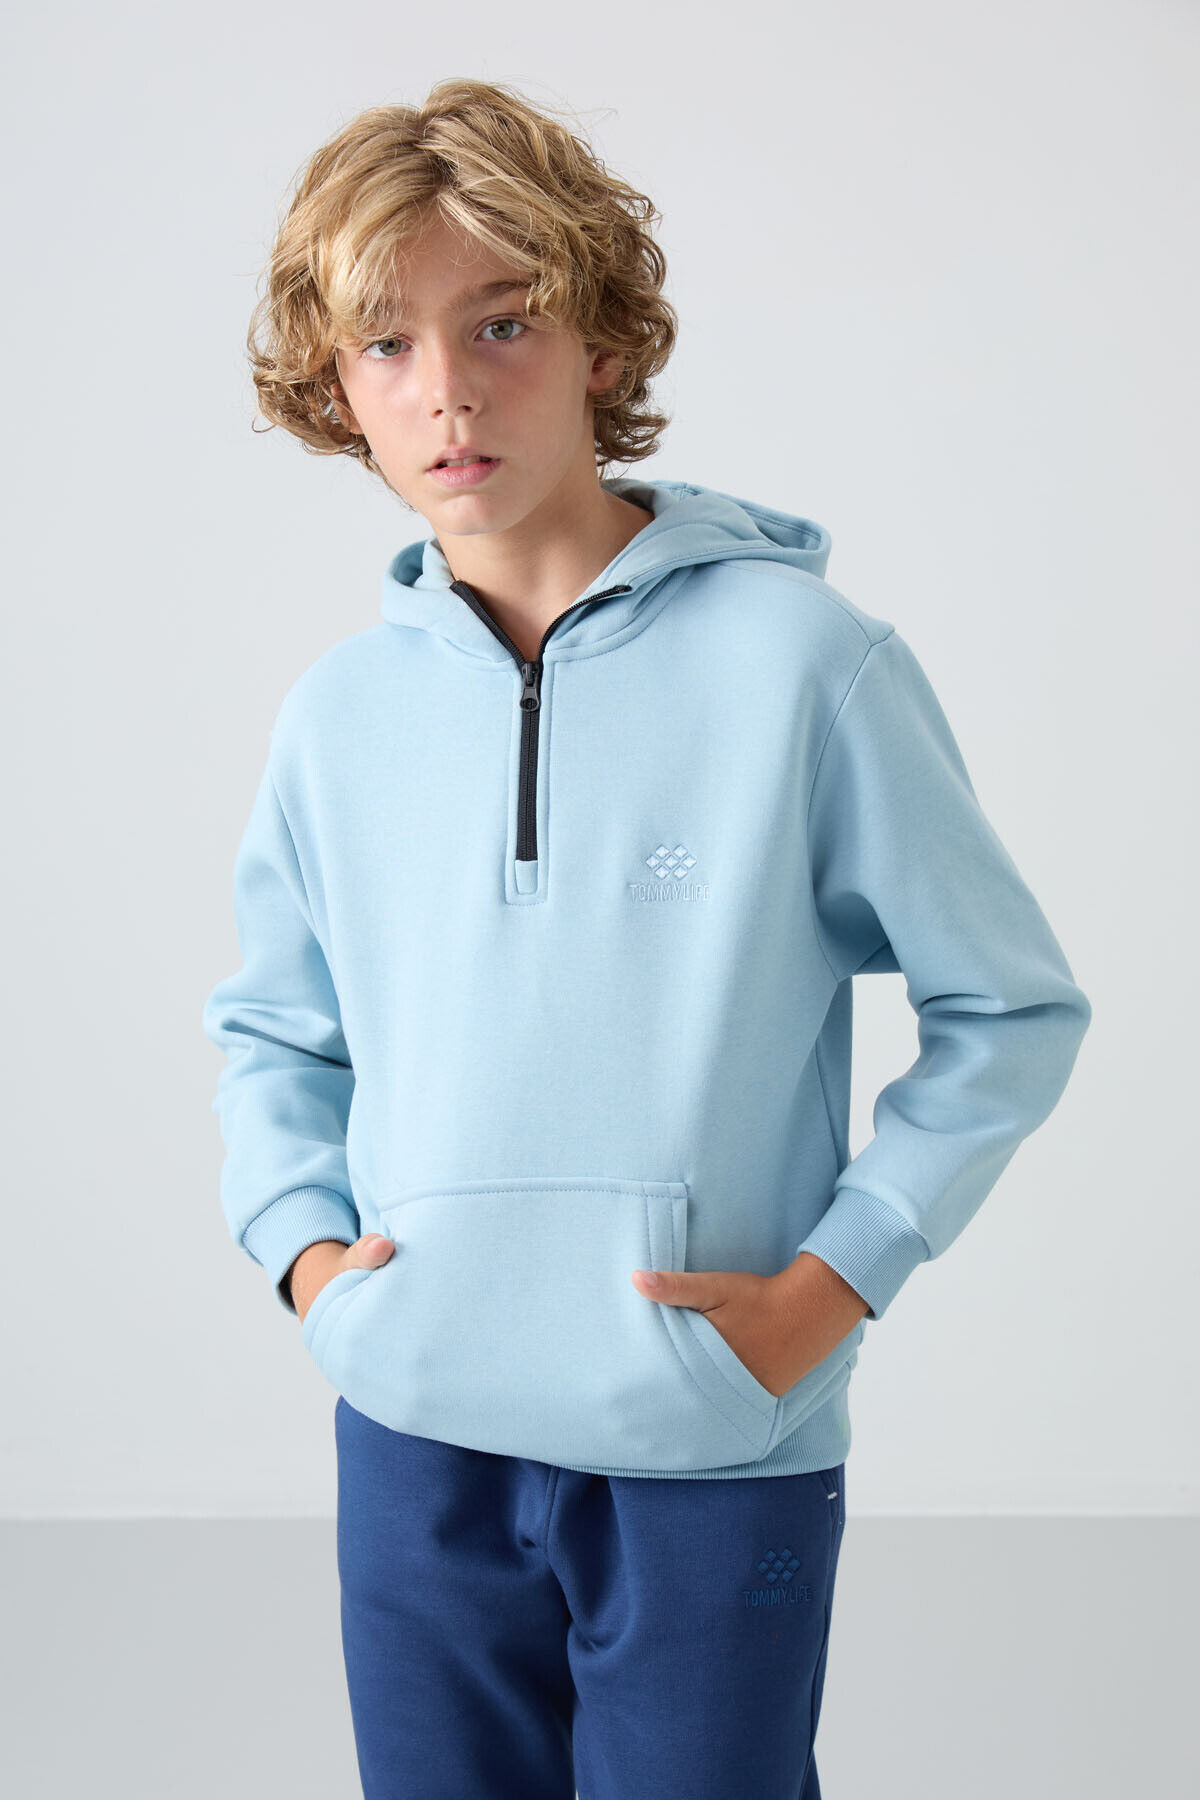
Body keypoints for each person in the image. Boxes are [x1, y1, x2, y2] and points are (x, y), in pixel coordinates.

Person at [201, 77, 1092, 1800]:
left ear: (603, 340)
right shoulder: (336, 719)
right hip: (413, 1434)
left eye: (503, 321)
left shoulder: (808, 666)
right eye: (385, 345)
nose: (448, 389)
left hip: (712, 1438)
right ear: (335, 387)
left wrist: (831, 1289)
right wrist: (310, 1267)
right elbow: (274, 1033)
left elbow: (1012, 1010)